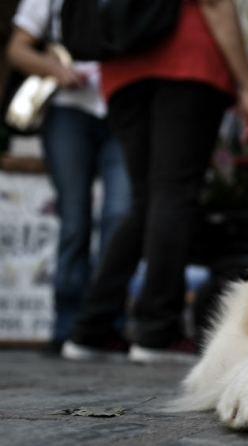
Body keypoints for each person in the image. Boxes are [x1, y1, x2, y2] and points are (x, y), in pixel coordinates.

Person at [62, 0, 248, 363]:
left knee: (147, 201)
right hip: (184, 60)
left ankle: (90, 330)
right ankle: (156, 332)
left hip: (121, 64)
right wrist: (247, 85)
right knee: (174, 193)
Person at [5, 0, 130, 354]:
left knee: (119, 218)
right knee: (74, 221)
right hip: (68, 113)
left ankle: (107, 324)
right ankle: (67, 324)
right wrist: (55, 69)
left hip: (123, 109)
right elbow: (17, 48)